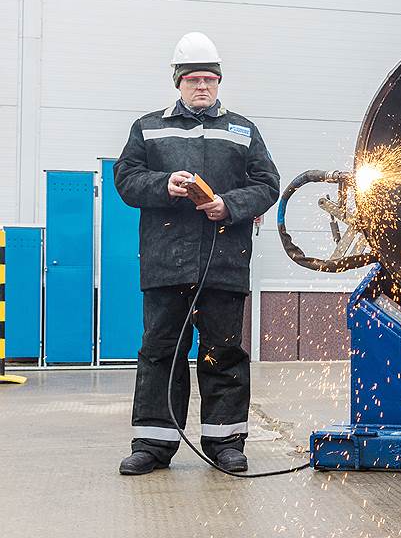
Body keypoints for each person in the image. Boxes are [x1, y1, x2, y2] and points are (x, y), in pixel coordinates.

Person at [114, 32, 280, 475]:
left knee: (222, 352)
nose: (202, 87)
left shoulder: (243, 131)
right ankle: (152, 444)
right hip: (166, 263)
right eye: (193, 79)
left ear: (219, 82)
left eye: (210, 79)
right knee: (160, 351)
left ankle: (225, 443)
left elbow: (267, 185)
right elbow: (126, 179)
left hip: (223, 262)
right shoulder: (147, 127)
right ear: (178, 82)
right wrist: (163, 186)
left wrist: (230, 204)